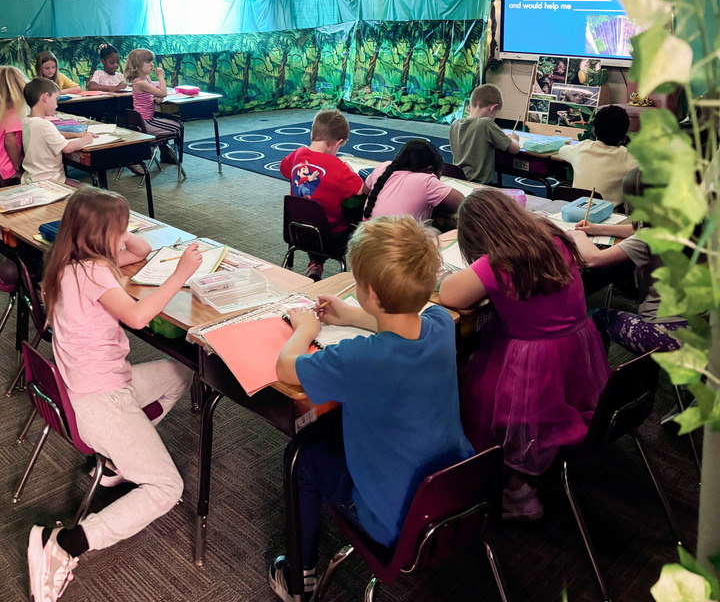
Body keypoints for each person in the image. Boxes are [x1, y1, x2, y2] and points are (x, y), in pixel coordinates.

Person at [269, 215, 473, 601]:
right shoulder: (441, 323)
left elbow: (285, 368)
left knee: (303, 456)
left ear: (371, 292)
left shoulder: (360, 359)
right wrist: (352, 317)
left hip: (394, 520)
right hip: (455, 488)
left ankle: (300, 579)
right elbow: (401, 325)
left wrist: (304, 330)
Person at [28, 187, 202, 602]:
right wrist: (181, 272)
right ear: (97, 235)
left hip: (95, 388)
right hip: (100, 401)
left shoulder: (69, 264)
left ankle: (117, 462)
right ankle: (65, 546)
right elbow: (140, 317)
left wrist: (119, 230)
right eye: (118, 229)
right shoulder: (96, 272)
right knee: (166, 488)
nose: (125, 235)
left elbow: (139, 251)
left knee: (181, 371)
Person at [438, 189, 609, 520]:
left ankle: (516, 490)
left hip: (535, 361)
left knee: (473, 399)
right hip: (577, 349)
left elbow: (449, 294)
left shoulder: (497, 261)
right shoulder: (551, 235)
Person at [570, 168, 688, 354]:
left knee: (600, 317)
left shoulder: (648, 238)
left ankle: (600, 377)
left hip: (665, 335)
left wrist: (577, 235)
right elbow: (635, 231)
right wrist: (596, 229)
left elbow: (593, 259)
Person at [279, 110, 363, 281]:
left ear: (311, 134)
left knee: (312, 213)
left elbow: (284, 169)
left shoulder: (297, 154)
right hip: (331, 238)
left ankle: (316, 263)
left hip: (296, 231)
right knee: (357, 219)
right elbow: (361, 189)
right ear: (337, 143)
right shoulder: (338, 167)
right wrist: (351, 171)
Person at [363, 138, 464, 222]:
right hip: (395, 243)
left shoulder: (384, 166)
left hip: (365, 239)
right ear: (430, 169)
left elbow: (365, 191)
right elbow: (463, 204)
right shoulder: (426, 180)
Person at [557, 104, 635, 204]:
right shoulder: (625, 156)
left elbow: (562, 150)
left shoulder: (582, 148)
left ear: (594, 131)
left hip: (576, 211)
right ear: (624, 136)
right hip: (609, 215)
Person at [21, 77, 94, 184]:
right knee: (84, 190)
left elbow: (51, 135)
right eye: (55, 99)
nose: (56, 105)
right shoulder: (44, 124)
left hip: (32, 178)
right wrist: (86, 139)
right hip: (49, 180)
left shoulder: (28, 121)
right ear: (45, 97)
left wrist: (77, 135)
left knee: (78, 184)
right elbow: (67, 148)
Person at [448, 83, 520, 184]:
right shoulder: (486, 123)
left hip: (458, 181)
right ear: (492, 108)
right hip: (480, 185)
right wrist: (514, 138)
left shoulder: (455, 124)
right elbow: (514, 149)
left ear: (469, 107)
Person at [123, 49, 181, 165]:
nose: (152, 65)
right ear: (138, 65)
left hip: (146, 120)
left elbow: (157, 93)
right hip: (145, 122)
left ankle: (166, 153)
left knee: (176, 124)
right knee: (179, 127)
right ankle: (170, 154)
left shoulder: (146, 79)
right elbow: (163, 93)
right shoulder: (140, 83)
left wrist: (156, 97)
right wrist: (161, 76)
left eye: (152, 62)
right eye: (148, 62)